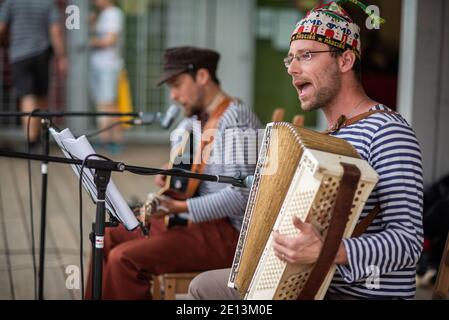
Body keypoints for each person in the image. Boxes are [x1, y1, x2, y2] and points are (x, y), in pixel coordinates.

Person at [188, 1, 424, 300]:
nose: (293, 69)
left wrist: (329, 251)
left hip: (361, 294)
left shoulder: (388, 132)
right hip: (311, 284)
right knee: (204, 288)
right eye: (290, 60)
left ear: (345, 60)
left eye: (307, 55)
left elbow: (408, 242)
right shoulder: (326, 138)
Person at [85, 46, 262, 299]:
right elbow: (185, 158)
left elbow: (242, 197)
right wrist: (170, 173)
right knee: (106, 235)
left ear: (202, 76)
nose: (174, 96)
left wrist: (179, 208)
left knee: (124, 259)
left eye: (177, 85)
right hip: (195, 221)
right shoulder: (197, 120)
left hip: (230, 235)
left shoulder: (237, 121)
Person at [0, 0, 66, 145]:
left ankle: (31, 140)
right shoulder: (47, 3)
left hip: (19, 55)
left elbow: (1, 28)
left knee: (27, 96)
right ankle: (43, 136)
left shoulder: (11, 3)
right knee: (42, 95)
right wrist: (61, 57)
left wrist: (6, 41)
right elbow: (56, 31)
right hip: (42, 53)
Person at [89, 0, 124, 154]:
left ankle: (116, 140)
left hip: (109, 66)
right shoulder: (103, 14)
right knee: (102, 104)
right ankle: (105, 140)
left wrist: (90, 41)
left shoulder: (114, 13)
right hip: (99, 65)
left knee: (109, 104)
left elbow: (110, 40)